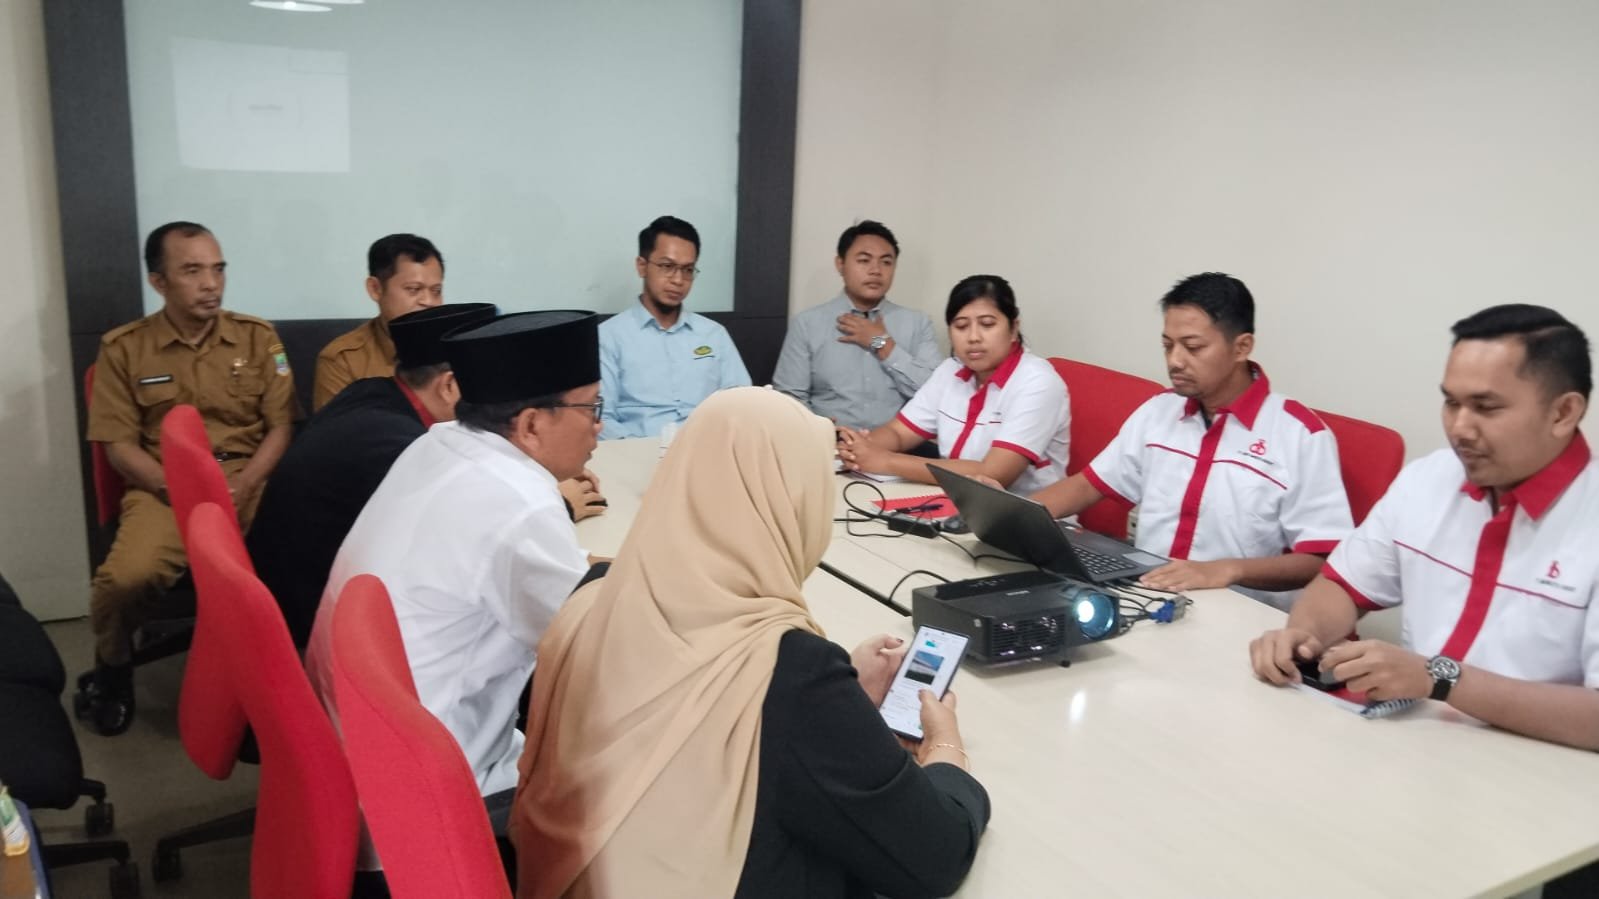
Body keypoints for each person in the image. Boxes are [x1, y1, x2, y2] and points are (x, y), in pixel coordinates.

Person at [512, 388, 990, 899]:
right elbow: (934, 856)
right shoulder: (788, 671)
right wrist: (945, 747)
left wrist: (845, 702)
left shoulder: (592, 596)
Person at [304, 309, 606, 838]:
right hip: (431, 802)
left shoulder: (439, 444)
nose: (600, 425)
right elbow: (602, 654)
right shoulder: (519, 505)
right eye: (592, 408)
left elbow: (541, 580)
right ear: (531, 424)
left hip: (346, 764)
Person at [1250, 304, 1598, 753]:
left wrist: (1442, 679)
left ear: (1563, 412)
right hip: (1411, 746)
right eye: (1451, 403)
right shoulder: (1428, 479)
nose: (1459, 428)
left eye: (1485, 407)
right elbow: (1342, 585)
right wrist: (1303, 635)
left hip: (1538, 769)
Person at [80, 221, 297, 735]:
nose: (211, 284)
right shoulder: (125, 349)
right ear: (159, 282)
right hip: (166, 487)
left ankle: (281, 683)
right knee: (125, 579)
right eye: (193, 271)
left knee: (302, 560)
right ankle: (114, 668)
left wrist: (247, 483)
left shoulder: (258, 338)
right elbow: (119, 446)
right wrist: (181, 487)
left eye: (218, 269)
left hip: (248, 480)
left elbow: (281, 427)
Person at [1025, 273, 1353, 605]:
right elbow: (1088, 486)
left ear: (1242, 347)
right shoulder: (1159, 411)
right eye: (1168, 345)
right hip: (1148, 594)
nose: (1175, 361)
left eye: (1193, 347)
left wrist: (1227, 570)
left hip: (1242, 612)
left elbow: (1321, 560)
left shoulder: (1300, 436)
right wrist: (1014, 520)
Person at [249, 304, 508, 650]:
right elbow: (477, 532)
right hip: (312, 628)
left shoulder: (373, 393)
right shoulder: (398, 444)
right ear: (449, 386)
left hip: (294, 594)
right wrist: (563, 501)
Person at [836, 274, 1069, 494]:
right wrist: (858, 449)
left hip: (1022, 514)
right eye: (961, 326)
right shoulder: (950, 370)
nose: (973, 337)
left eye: (987, 324)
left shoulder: (1037, 382)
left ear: (1014, 329)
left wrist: (886, 461)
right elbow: (898, 432)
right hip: (952, 501)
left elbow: (993, 474)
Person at [771, 220, 942, 429]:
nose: (876, 270)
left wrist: (881, 343)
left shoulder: (918, 323)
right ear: (840, 264)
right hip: (828, 442)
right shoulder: (807, 324)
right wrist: (826, 432)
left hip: (898, 444)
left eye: (886, 262)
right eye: (864, 260)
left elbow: (936, 395)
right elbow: (790, 400)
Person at [598, 215, 750, 438]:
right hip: (637, 451)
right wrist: (639, 451)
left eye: (688, 270)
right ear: (642, 266)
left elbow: (743, 405)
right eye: (667, 266)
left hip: (706, 449)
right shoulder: (609, 337)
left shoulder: (713, 335)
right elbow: (602, 417)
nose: (678, 280)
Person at [312, 233, 446, 410]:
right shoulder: (343, 360)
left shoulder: (457, 348)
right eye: (413, 289)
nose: (428, 301)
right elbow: (337, 427)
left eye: (436, 291)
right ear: (375, 289)